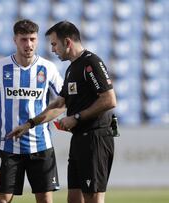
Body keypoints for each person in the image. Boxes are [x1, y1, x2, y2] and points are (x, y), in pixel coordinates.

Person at [7, 21, 117, 203]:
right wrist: (30, 124)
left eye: (54, 44)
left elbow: (109, 99)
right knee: (74, 197)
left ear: (67, 42)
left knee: (93, 197)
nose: (52, 49)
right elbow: (59, 104)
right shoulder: (72, 68)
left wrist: (76, 117)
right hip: (79, 139)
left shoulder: (91, 62)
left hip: (95, 138)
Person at [0, 19, 63, 203]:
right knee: (3, 199)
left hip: (41, 146)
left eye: (32, 39)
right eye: (24, 39)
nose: (29, 44)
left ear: (38, 40)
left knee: (45, 199)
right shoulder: (0, 68)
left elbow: (64, 102)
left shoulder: (48, 68)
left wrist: (38, 121)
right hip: (9, 146)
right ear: (15, 40)